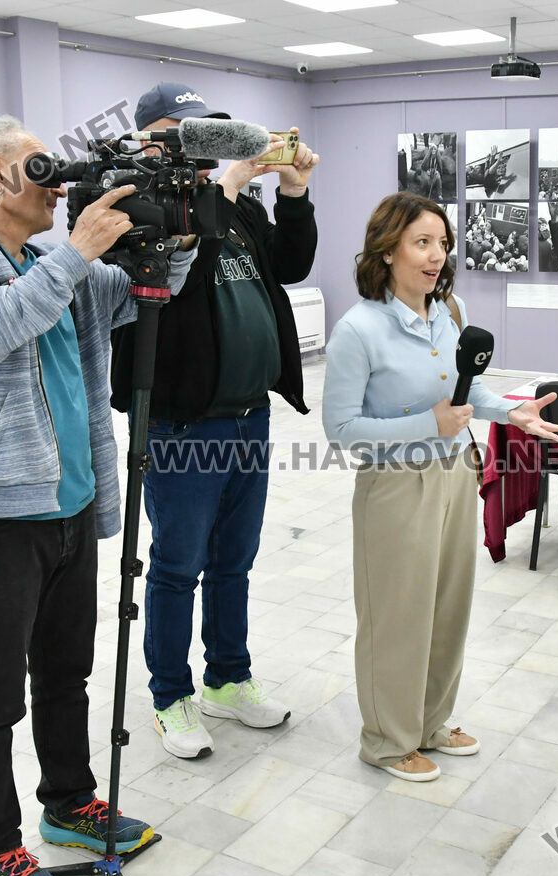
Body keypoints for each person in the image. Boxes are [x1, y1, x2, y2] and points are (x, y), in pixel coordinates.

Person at [0, 115, 182, 876]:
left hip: (70, 501)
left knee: (66, 674)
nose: (58, 184)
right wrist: (76, 251)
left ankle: (69, 803)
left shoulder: (48, 264)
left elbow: (149, 291)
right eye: (40, 166)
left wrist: (175, 218)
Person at [323, 192, 558, 781]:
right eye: (422, 243)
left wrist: (512, 413)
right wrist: (427, 424)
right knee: (397, 614)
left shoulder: (448, 311)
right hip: (396, 485)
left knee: (447, 607)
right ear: (387, 250)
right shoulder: (358, 329)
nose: (437, 256)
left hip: (457, 472)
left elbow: (466, 391)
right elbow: (341, 429)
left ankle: (430, 723)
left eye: (442, 244)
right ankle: (388, 740)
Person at [109, 82, 320, 760]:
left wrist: (293, 194)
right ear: (152, 137)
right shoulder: (134, 205)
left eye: (209, 132)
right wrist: (224, 188)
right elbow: (177, 282)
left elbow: (290, 265)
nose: (202, 147)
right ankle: (170, 695)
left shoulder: (235, 208)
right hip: (181, 423)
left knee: (235, 560)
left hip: (248, 415)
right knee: (178, 564)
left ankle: (227, 678)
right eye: (187, 132)